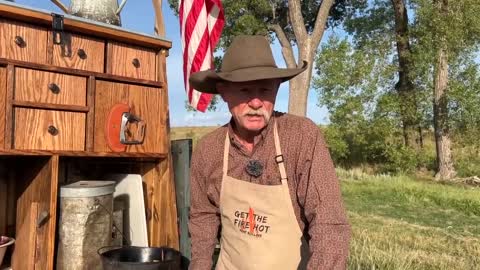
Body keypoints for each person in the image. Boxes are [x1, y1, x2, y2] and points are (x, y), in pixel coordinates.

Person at [188, 35, 351, 270]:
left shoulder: (301, 136)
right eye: (244, 90)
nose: (256, 102)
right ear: (224, 93)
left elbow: (329, 222)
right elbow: (203, 217)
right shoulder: (209, 149)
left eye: (264, 90)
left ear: (276, 89)